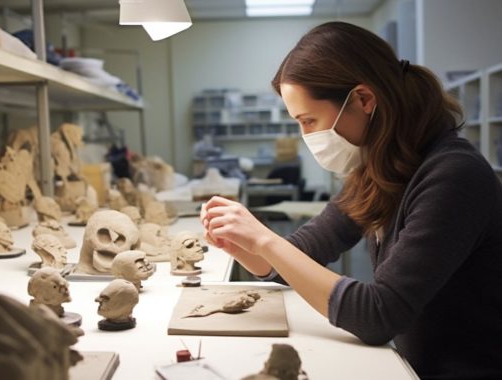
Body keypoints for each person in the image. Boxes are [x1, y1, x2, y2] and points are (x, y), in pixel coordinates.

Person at [201, 22, 502, 380]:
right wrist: (243, 243)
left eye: (309, 121)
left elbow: (379, 314)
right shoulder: (378, 167)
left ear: (363, 99)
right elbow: (303, 252)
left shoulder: (453, 175)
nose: (306, 137)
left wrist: (265, 239)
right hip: (409, 364)